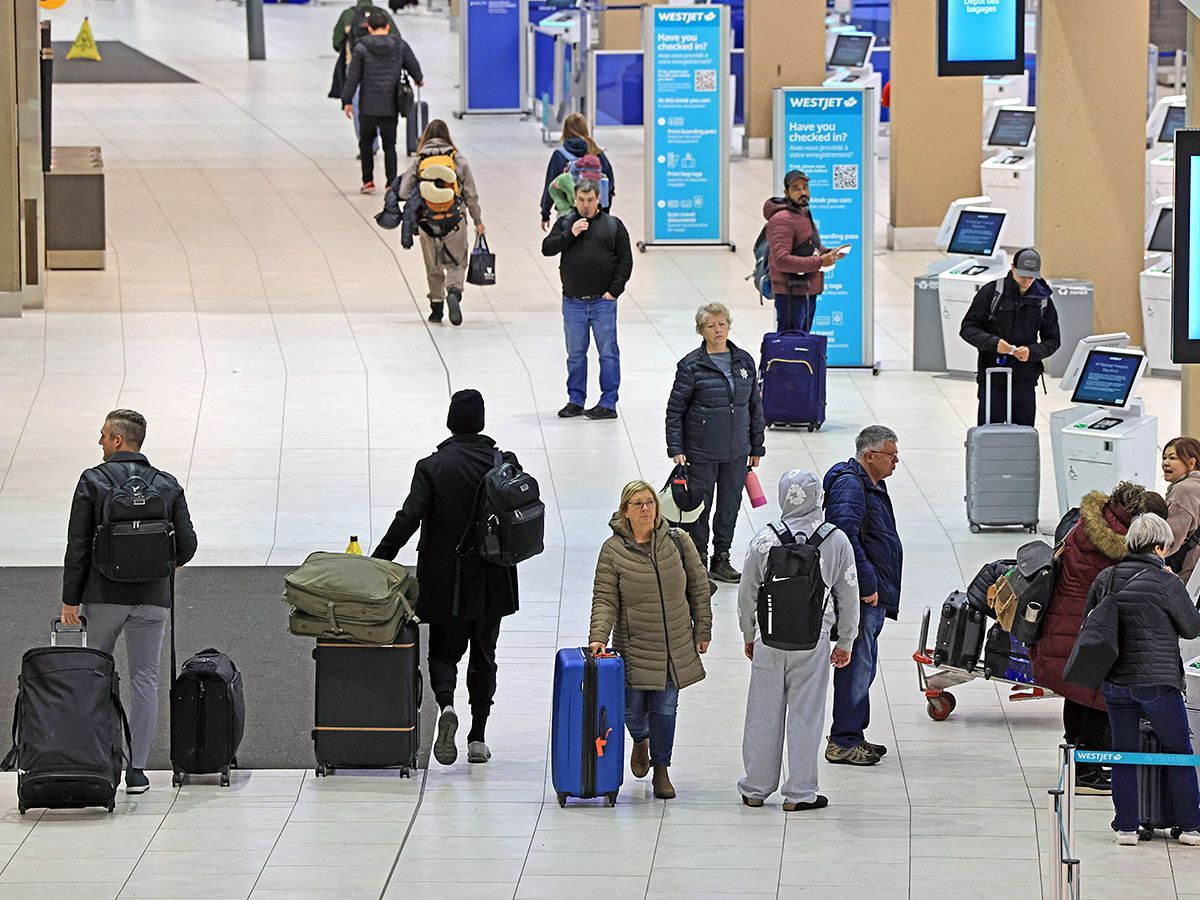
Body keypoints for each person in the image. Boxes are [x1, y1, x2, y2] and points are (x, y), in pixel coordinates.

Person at [372, 390, 519, 766]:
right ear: (481, 421)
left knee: (443, 651)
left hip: (445, 579)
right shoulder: (503, 463)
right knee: (485, 655)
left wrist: (378, 560)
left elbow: (408, 518)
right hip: (493, 579)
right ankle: (478, 739)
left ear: (451, 421)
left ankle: (447, 705)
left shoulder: (432, 467)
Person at [61, 410, 198, 795]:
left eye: (104, 435)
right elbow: (187, 546)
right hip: (153, 600)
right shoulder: (167, 484)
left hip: (102, 597)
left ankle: (102, 762)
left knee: (97, 678)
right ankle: (136, 770)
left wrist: (70, 599)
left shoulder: (93, 481)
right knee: (145, 680)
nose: (100, 442)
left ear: (119, 441)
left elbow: (77, 546)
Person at [737, 469, 859, 811]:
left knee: (762, 713)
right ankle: (800, 793)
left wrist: (750, 634)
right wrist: (846, 640)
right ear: (818, 497)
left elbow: (747, 594)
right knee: (806, 714)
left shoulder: (765, 539)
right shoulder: (835, 540)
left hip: (769, 639)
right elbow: (849, 592)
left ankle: (756, 788)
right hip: (812, 640)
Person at [588, 480, 712, 800]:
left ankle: (661, 769)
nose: (646, 509)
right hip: (634, 645)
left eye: (650, 503)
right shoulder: (613, 550)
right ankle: (640, 740)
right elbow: (604, 598)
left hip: (674, 644)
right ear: (625, 511)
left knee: (665, 708)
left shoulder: (677, 540)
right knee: (631, 709)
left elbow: (698, 586)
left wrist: (703, 630)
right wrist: (598, 637)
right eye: (638, 504)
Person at [1031, 482, 1156, 795]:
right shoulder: (1113, 547)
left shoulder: (1086, 523)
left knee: (1077, 693)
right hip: (1085, 626)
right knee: (1096, 698)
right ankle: (1087, 771)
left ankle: (1074, 759)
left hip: (1065, 620)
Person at [1084, 513, 1200, 845]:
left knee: (1123, 751)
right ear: (1160, 547)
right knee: (1178, 749)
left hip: (1115, 681)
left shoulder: (1106, 578)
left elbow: (1090, 624)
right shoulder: (1167, 582)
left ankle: (1126, 826)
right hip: (1158, 683)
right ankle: (1191, 826)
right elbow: (1192, 627)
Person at [665, 302, 765, 584]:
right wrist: (676, 448)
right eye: (711, 326)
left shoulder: (744, 361)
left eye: (722, 324)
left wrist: (757, 445)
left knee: (730, 506)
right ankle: (698, 561)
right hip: (701, 451)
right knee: (700, 508)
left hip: (737, 451)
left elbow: (754, 406)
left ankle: (722, 558)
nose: (718, 330)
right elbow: (675, 410)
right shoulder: (690, 366)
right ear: (701, 330)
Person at [822, 425, 903, 766]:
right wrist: (868, 585)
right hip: (862, 595)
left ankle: (853, 732)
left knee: (863, 664)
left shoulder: (872, 484)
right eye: (891, 455)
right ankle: (844, 740)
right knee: (856, 666)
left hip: (873, 593)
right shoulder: (851, 487)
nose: (896, 461)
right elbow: (845, 541)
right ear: (870, 455)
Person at [541, 179, 633, 421]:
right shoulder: (566, 222)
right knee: (575, 353)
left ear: (598, 199)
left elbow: (625, 261)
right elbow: (547, 248)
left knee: (608, 353)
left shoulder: (613, 226)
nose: (585, 205)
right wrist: (570, 234)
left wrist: (614, 291)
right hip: (573, 302)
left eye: (590, 200)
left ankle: (608, 402)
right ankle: (575, 400)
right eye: (581, 200)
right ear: (575, 200)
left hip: (603, 302)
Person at [959, 247, 1060, 427]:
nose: (1027, 281)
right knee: (990, 435)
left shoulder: (1043, 299)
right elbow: (968, 328)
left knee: (1023, 436)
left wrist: (1032, 351)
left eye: (1031, 277)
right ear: (1012, 268)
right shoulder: (991, 292)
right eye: (1023, 276)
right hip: (992, 377)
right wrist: (994, 343)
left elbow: (1053, 340)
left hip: (1025, 380)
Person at [397, 119, 485, 326]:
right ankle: (453, 291)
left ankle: (436, 308)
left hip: (428, 221)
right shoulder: (458, 159)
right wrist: (478, 221)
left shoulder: (420, 160)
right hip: (455, 220)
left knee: (433, 265)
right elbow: (470, 194)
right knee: (457, 261)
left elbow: (402, 191)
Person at [340, 7, 423, 194]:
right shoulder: (399, 45)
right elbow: (413, 65)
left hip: (368, 105)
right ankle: (391, 182)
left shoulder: (360, 48)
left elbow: (352, 77)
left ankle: (368, 181)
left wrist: (346, 100)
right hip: (390, 105)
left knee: (366, 143)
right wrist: (419, 79)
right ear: (387, 26)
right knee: (390, 145)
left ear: (369, 28)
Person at [763, 170, 844, 333]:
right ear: (786, 193)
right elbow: (781, 260)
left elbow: (808, 247)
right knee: (791, 346)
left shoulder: (803, 213)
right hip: (790, 293)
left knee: (802, 345)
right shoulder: (782, 220)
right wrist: (821, 262)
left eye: (805, 187)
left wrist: (827, 253)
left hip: (805, 290)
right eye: (796, 188)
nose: (803, 192)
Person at [331, 0, 397, 156]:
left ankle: (367, 145)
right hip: (383, 67)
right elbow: (396, 38)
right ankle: (382, 140)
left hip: (354, 63)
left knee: (358, 106)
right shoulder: (383, 14)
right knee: (382, 104)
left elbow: (336, 43)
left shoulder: (348, 15)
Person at [539, 113, 615, 230]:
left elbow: (550, 184)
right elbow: (609, 182)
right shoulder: (596, 151)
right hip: (595, 210)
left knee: (570, 242)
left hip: (568, 212)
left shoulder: (560, 155)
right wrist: (604, 209)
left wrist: (545, 213)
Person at [1162, 436, 1200, 582]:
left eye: (1172, 458)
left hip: (1185, 569)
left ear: (1191, 463)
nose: (1166, 463)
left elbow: (1167, 540)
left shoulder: (1183, 490)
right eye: (1164, 457)